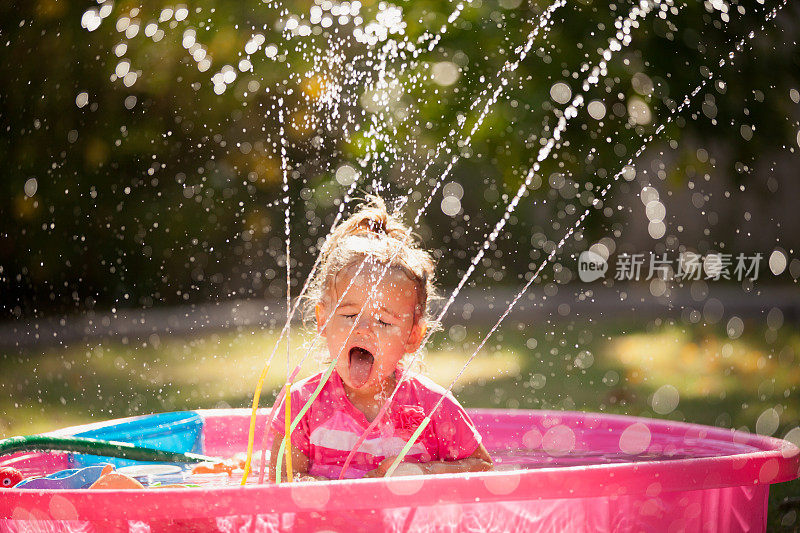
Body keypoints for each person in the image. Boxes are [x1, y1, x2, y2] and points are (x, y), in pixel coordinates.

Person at [268, 195, 492, 481]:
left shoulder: (432, 408)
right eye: (349, 316)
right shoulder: (300, 406)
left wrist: (423, 472)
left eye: (384, 321)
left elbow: (483, 470)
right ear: (323, 321)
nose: (362, 330)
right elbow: (280, 481)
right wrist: (314, 488)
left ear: (412, 337)